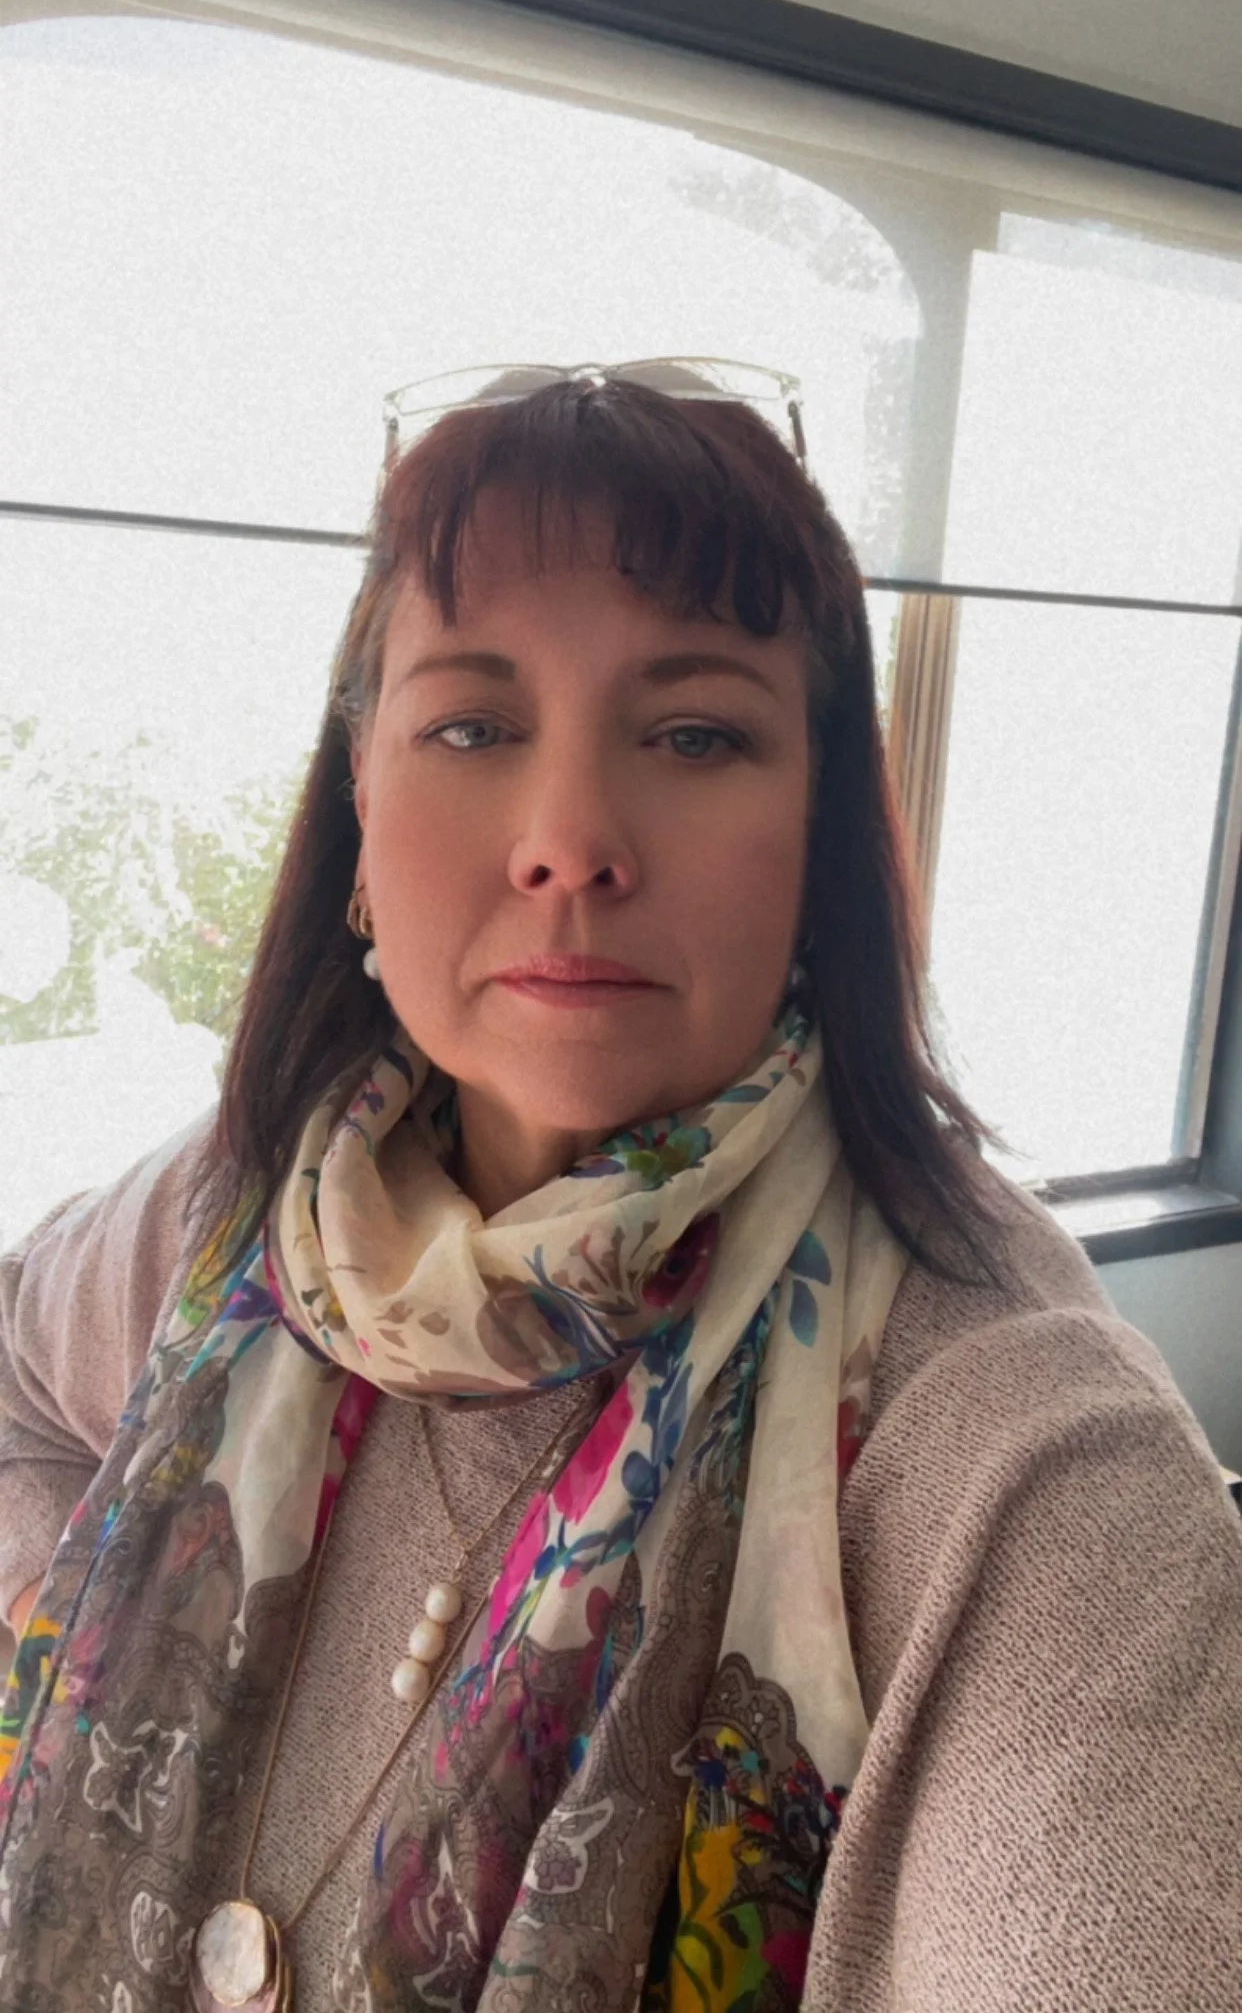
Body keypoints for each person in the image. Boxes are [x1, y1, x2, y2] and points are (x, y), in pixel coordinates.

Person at [0, 361, 1239, 2013]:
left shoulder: (1009, 1444)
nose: (570, 839)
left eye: (693, 734)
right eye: (471, 726)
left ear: (817, 837)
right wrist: (66, 1622)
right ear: (360, 805)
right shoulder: (234, 1217)